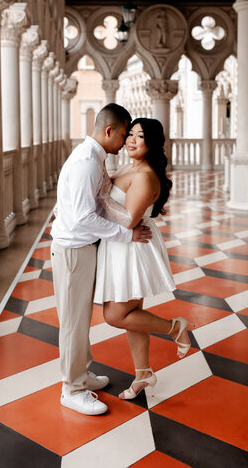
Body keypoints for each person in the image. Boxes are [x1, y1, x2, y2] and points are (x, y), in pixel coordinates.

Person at [51, 103, 152, 416]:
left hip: (80, 249)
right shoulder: (86, 163)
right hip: (73, 251)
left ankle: (81, 374)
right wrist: (126, 234)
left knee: (80, 319)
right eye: (123, 134)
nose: (124, 142)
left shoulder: (93, 158)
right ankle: (72, 389)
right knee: (72, 323)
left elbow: (79, 204)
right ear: (109, 131)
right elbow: (82, 216)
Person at [94, 118, 193, 399]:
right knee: (132, 315)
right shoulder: (130, 166)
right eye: (131, 134)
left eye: (140, 135)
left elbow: (128, 220)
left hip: (132, 246)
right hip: (123, 246)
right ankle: (143, 374)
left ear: (152, 143)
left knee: (116, 315)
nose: (132, 140)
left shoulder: (145, 175)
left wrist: (103, 195)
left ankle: (175, 328)